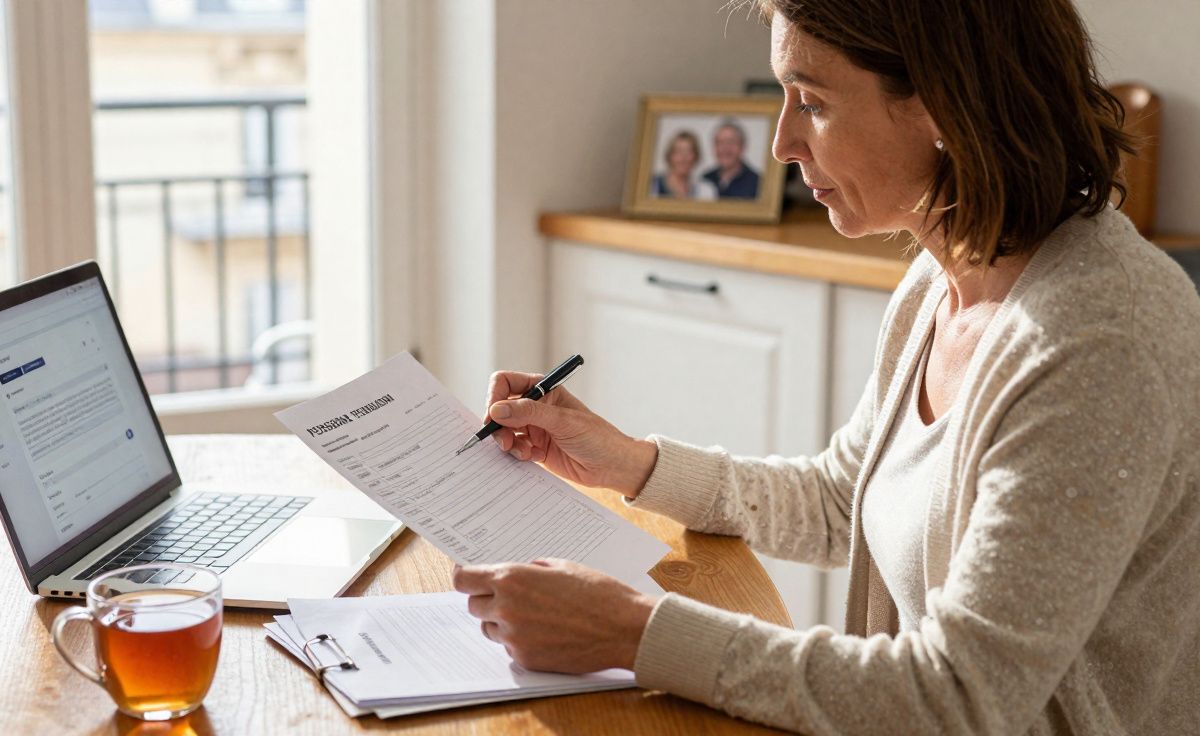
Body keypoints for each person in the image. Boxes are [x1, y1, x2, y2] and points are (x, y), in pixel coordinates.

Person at [452, 0, 1200, 733]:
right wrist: (631, 464)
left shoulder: (1100, 340)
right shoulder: (942, 275)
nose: (780, 142)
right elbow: (845, 501)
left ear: (943, 102)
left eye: (810, 101)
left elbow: (965, 698)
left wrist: (635, 633)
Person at [700, 119, 760, 198]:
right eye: (720, 143)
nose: (725, 148)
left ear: (742, 146)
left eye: (731, 142)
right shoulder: (705, 179)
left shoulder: (758, 183)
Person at [649, 130, 713, 200]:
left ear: (696, 157)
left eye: (689, 152)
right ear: (670, 156)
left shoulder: (705, 190)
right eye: (678, 151)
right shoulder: (651, 185)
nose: (683, 158)